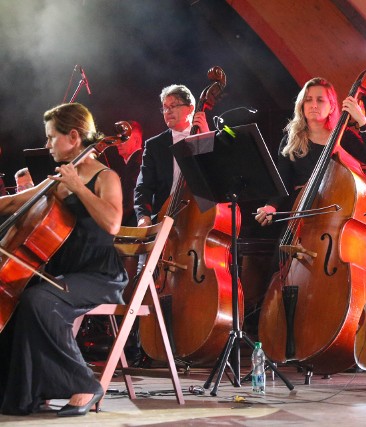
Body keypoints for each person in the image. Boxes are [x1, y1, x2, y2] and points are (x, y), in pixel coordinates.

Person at [0, 102, 128, 416]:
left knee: (39, 301)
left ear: (73, 136)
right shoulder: (57, 179)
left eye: (50, 137)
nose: (46, 145)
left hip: (100, 276)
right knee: (21, 300)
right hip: (64, 276)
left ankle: (84, 383)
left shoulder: (104, 177)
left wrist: (77, 188)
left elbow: (112, 223)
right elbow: (14, 202)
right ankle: (28, 392)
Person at [254, 77, 366, 226]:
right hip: (301, 215)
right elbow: (283, 180)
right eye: (308, 100)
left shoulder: (343, 137)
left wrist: (362, 121)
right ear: (301, 105)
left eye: (320, 100)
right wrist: (271, 206)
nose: (313, 105)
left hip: (336, 217)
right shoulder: (291, 139)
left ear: (332, 107)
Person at [134, 85, 209, 227]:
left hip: (199, 217)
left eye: (173, 106)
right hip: (164, 216)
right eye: (165, 108)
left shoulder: (206, 137)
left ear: (191, 108)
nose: (167, 111)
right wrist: (143, 216)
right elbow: (143, 187)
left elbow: (216, 176)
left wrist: (206, 139)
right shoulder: (154, 145)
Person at [98, 120, 143, 226]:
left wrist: (112, 223)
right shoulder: (132, 164)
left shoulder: (136, 165)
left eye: (123, 139)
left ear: (136, 141)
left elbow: (130, 204)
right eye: (118, 138)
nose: (118, 142)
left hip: (130, 226)